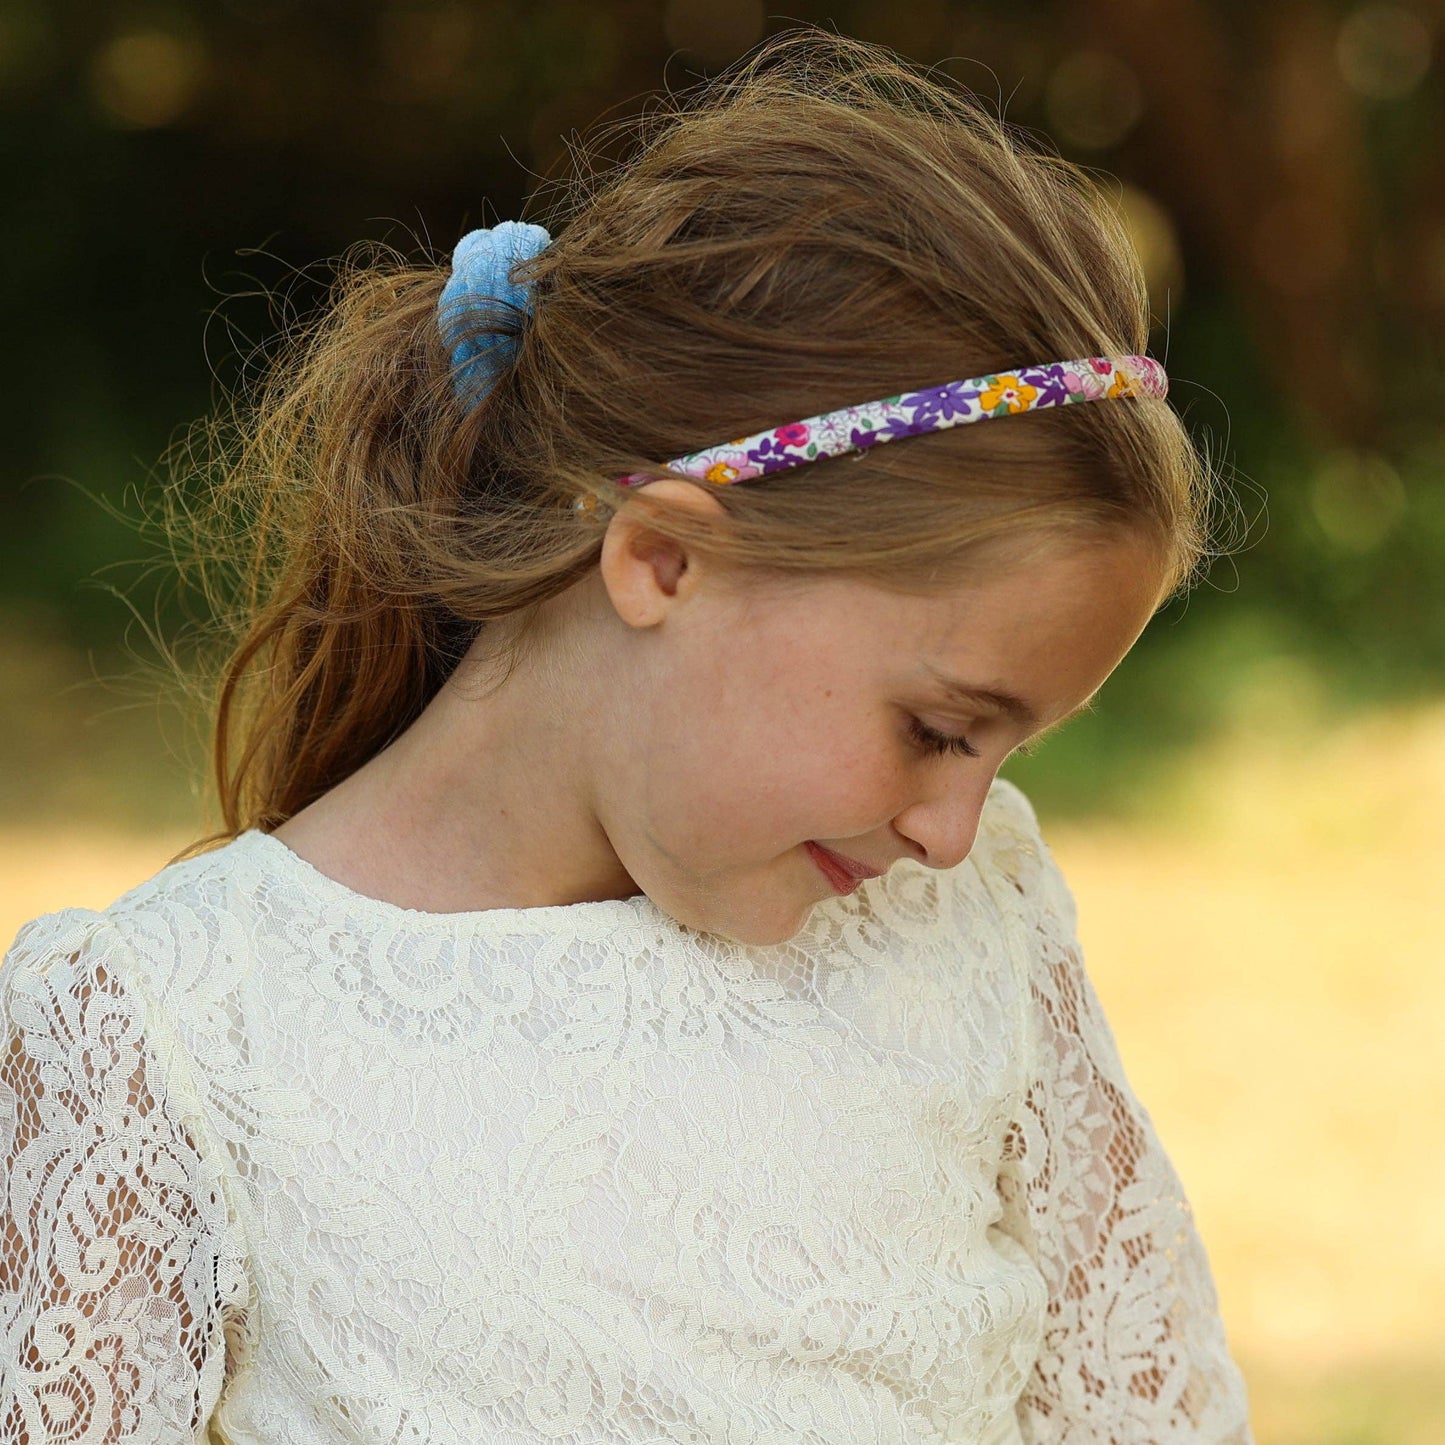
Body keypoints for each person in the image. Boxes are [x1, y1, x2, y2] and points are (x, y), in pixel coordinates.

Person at [0, 29, 1254, 1445]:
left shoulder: (970, 922)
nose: (952, 831)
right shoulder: (171, 1034)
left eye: (1004, 756)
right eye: (938, 729)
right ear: (662, 558)